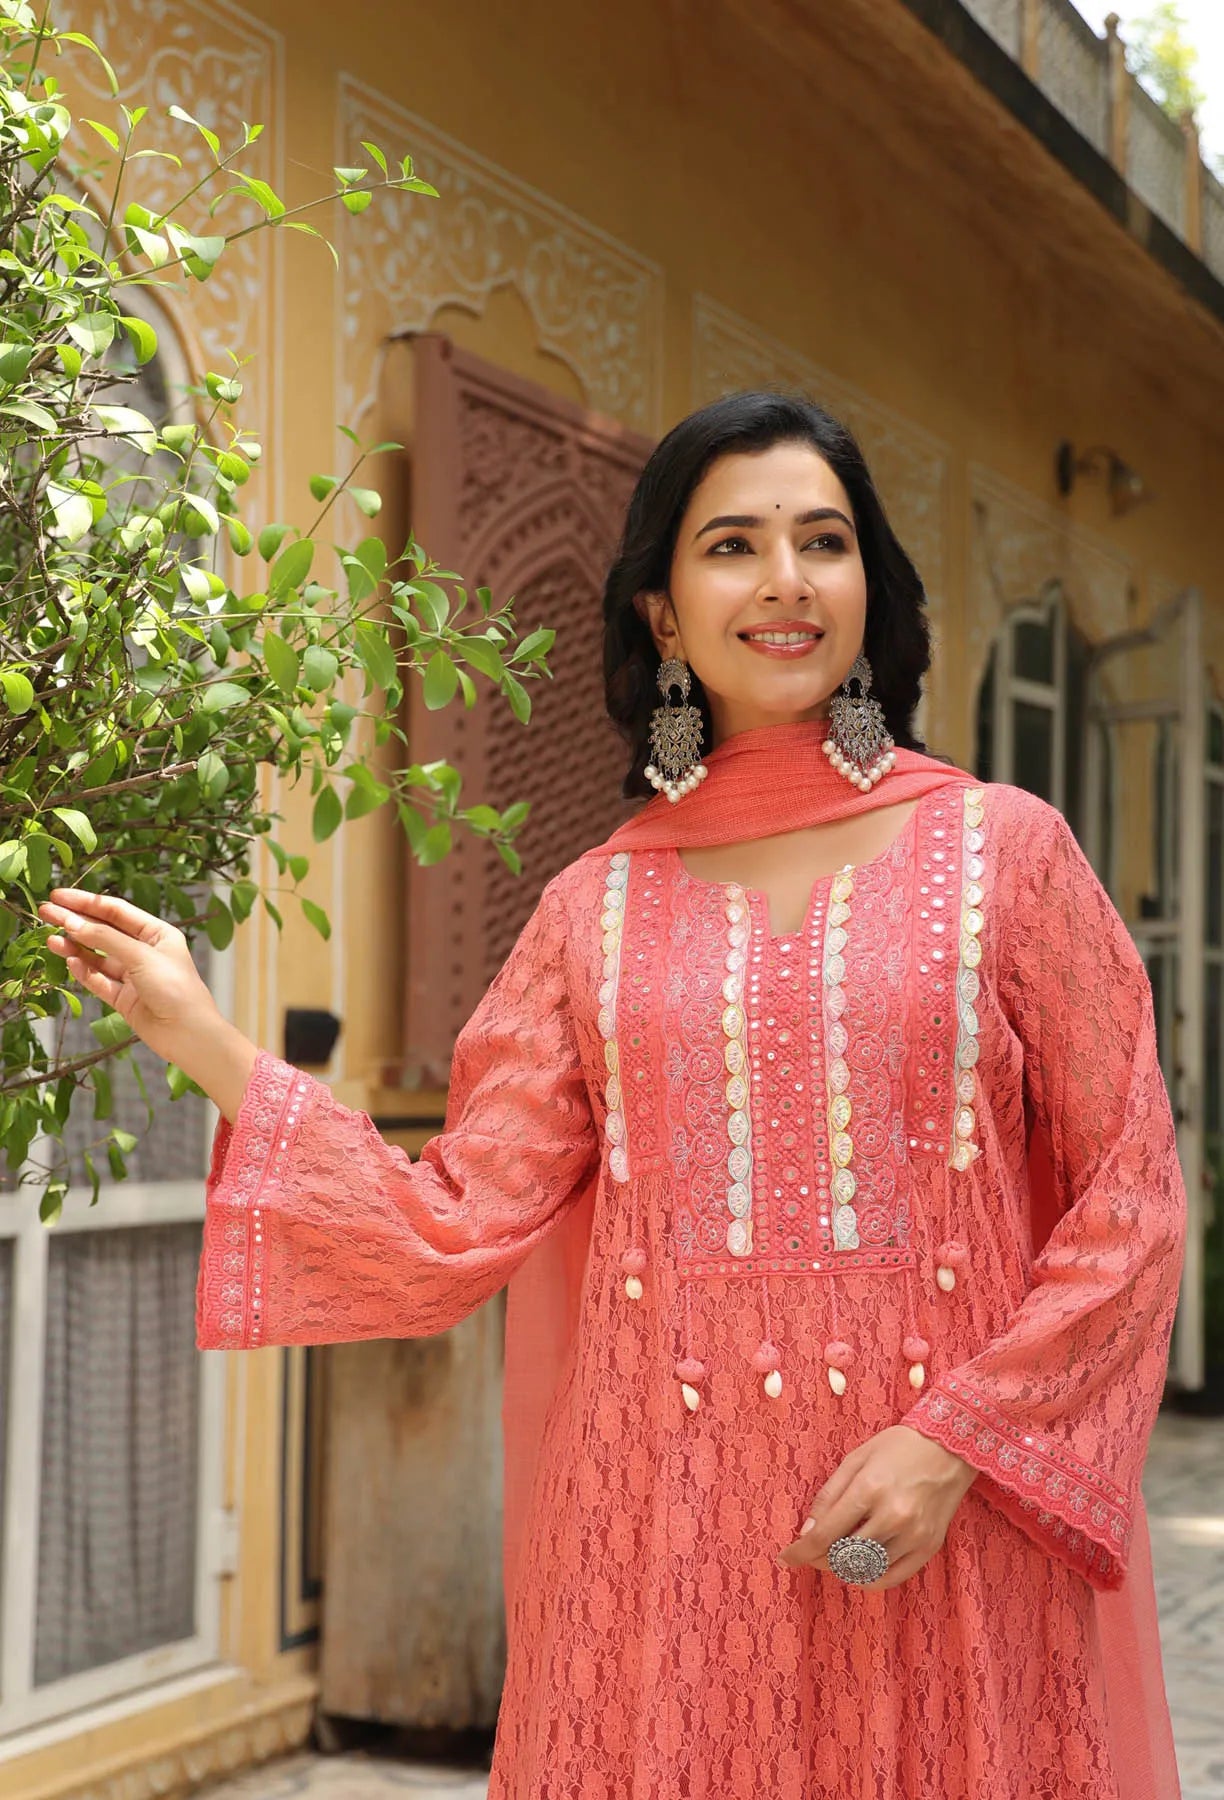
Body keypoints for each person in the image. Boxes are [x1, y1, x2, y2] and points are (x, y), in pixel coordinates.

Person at [37, 392, 1186, 1800]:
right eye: (733, 546)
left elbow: (1132, 1197)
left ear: (869, 588)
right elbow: (453, 1220)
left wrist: (958, 1442)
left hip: (944, 1523)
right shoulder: (595, 911)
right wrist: (204, 1036)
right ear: (662, 612)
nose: (784, 580)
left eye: (824, 541)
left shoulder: (1008, 854)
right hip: (665, 1543)